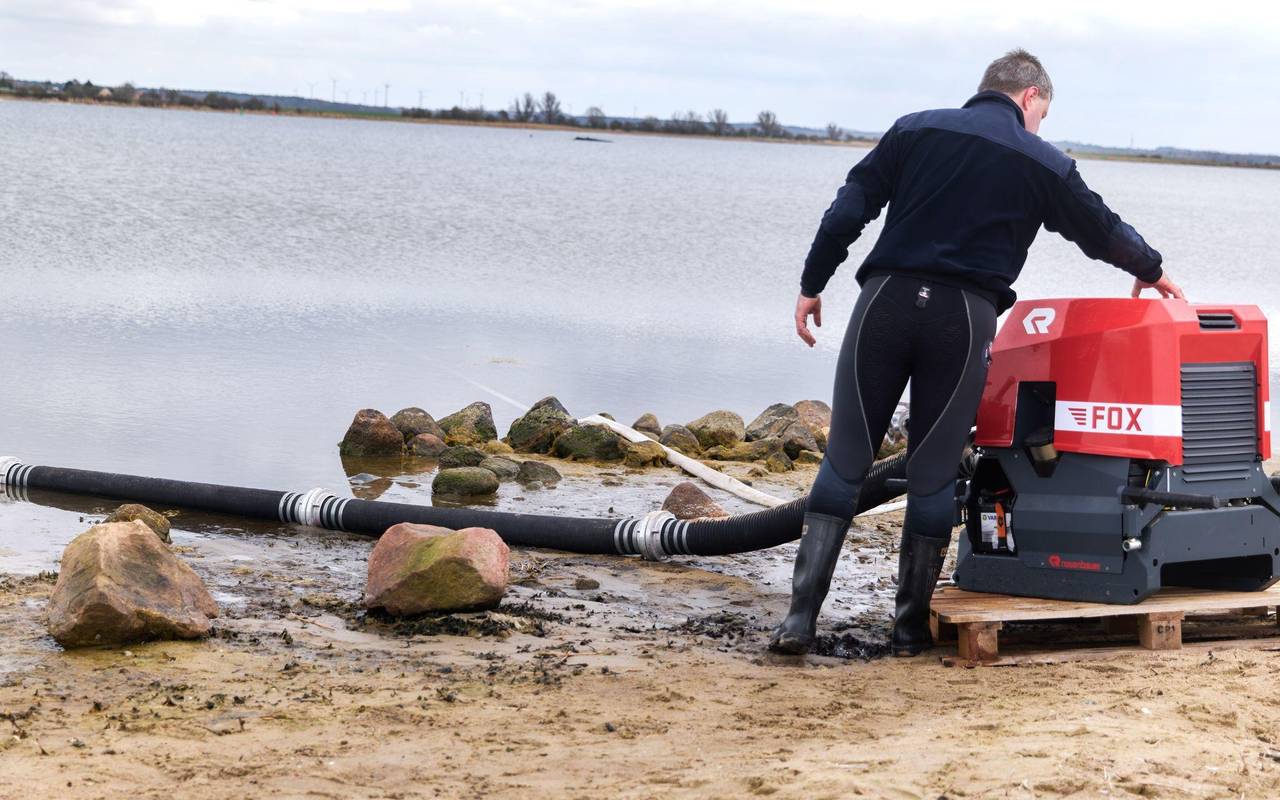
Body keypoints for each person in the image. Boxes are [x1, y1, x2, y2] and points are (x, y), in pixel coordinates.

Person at [770, 49, 1185, 656]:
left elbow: (848, 209)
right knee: (934, 474)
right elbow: (1098, 228)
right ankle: (909, 629)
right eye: (1042, 113)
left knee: (844, 461)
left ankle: (798, 622)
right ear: (1028, 98)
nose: (1040, 126)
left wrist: (812, 284)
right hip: (962, 319)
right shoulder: (1042, 161)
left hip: (882, 303)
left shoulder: (914, 128)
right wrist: (1151, 268)